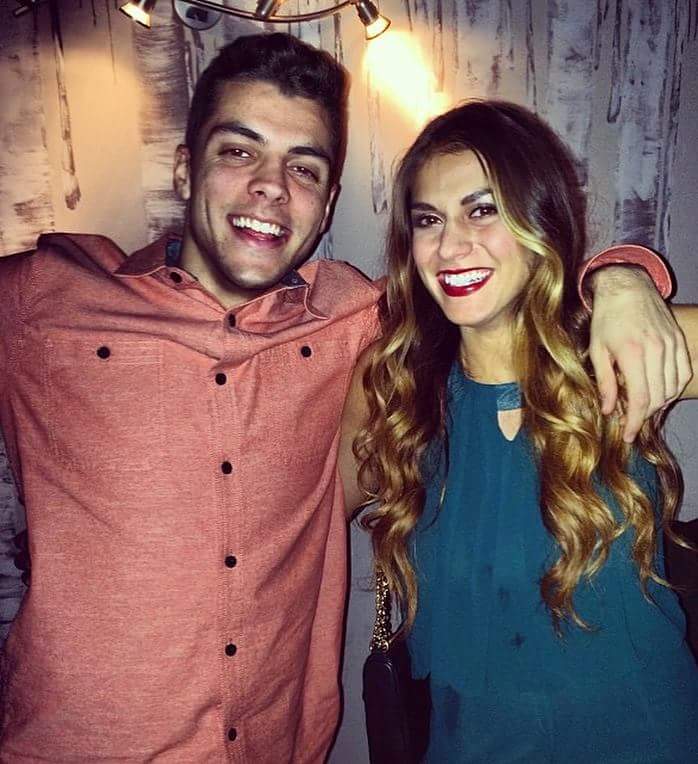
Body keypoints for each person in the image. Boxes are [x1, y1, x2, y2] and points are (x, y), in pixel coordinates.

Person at [0, 32, 693, 763]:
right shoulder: (45, 300)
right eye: (238, 151)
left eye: (303, 167)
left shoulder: (370, 333)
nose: (271, 186)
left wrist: (622, 275)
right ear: (184, 167)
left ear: (328, 202)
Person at [341, 100, 698, 762]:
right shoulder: (395, 387)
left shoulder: (613, 353)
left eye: (483, 210)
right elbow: (302, 520)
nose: (451, 246)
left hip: (643, 738)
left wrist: (623, 275)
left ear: (539, 221)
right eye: (428, 220)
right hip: (469, 745)